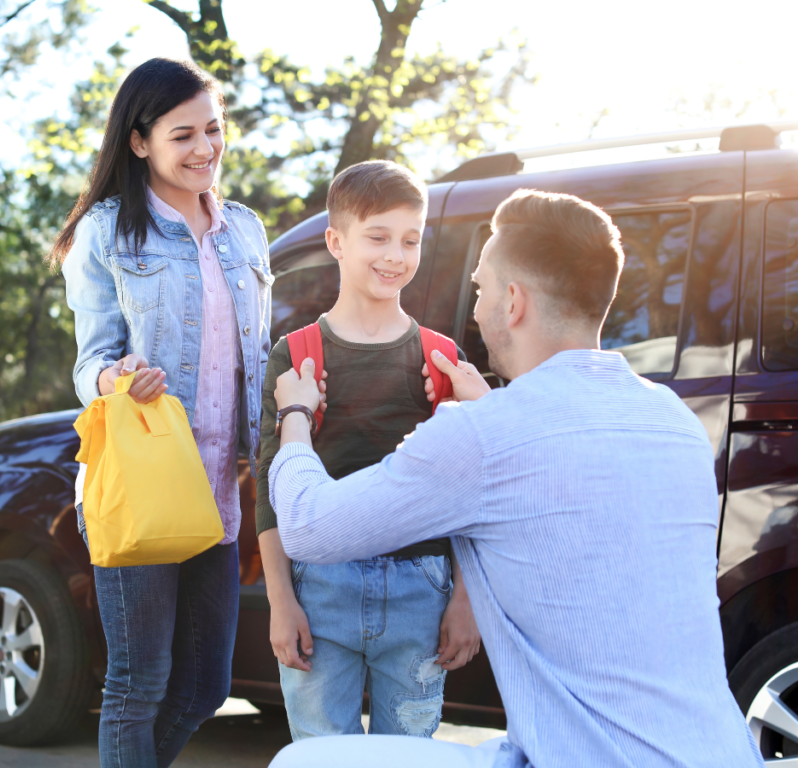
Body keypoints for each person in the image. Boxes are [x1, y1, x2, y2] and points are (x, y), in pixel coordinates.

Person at [266, 189, 763, 767]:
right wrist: (486, 413)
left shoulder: (483, 435)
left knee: (304, 762)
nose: (475, 309)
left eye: (479, 290)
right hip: (723, 755)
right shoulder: (674, 420)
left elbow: (305, 528)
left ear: (513, 301)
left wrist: (295, 415)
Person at [53, 58, 278, 768]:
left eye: (213, 129)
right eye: (184, 134)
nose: (205, 148)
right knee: (137, 683)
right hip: (144, 484)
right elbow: (90, 364)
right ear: (140, 140)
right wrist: (115, 377)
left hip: (217, 494)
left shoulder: (245, 230)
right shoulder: (108, 232)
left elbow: (256, 356)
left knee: (206, 684)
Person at [255, 160, 481, 742]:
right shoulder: (296, 354)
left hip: (420, 593)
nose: (395, 256)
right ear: (335, 240)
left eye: (410, 240)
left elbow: (468, 494)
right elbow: (270, 486)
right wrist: (281, 600)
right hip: (320, 589)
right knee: (321, 755)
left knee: (406, 756)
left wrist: (465, 599)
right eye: (377, 237)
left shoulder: (441, 358)